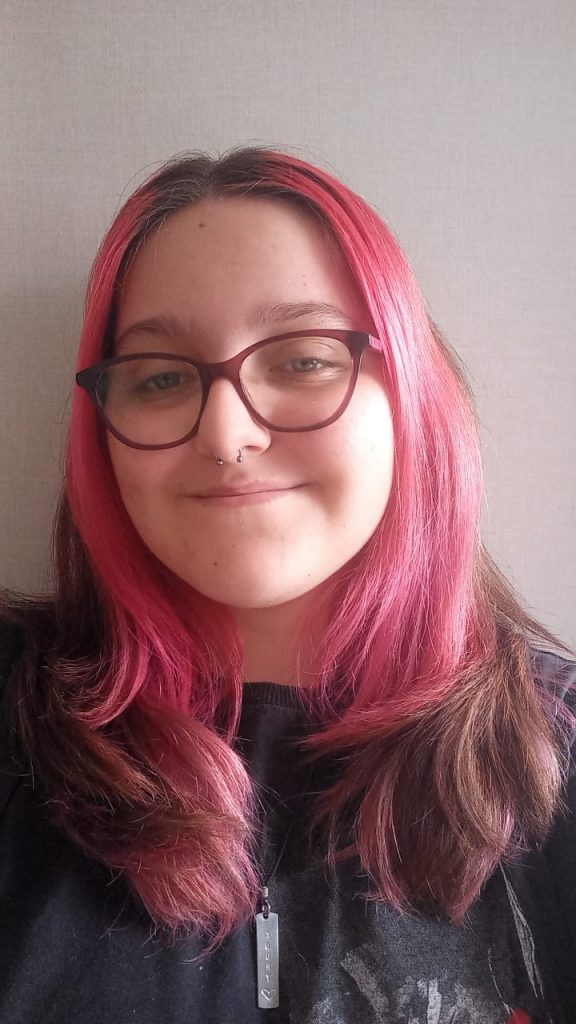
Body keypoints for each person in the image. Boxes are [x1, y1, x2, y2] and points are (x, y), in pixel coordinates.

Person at [0, 147, 574, 1024]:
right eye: (160, 377)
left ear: (410, 396)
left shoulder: (554, 752)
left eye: (304, 360)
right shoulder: (16, 727)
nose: (226, 434)